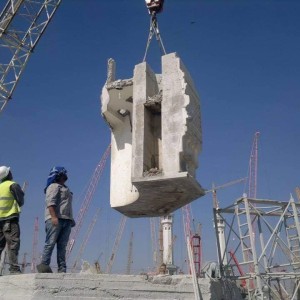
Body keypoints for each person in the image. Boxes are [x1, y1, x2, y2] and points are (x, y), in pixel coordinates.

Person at [37, 166, 75, 273]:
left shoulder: (65, 188)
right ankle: (44, 265)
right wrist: (53, 217)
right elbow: (50, 203)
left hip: (66, 220)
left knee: (62, 246)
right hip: (55, 219)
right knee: (51, 242)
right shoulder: (53, 187)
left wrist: (71, 219)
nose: (65, 176)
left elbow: (66, 205)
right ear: (58, 175)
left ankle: (62, 269)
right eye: (63, 174)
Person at [0, 166, 24, 275]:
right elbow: (21, 200)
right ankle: (14, 269)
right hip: (9, 219)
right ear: (8, 174)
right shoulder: (12, 185)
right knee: (13, 243)